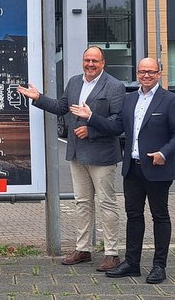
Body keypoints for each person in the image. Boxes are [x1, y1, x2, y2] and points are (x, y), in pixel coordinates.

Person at [69, 57, 175, 284]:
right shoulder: (129, 99)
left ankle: (159, 266)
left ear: (159, 74)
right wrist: (92, 117)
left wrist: (164, 153)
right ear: (137, 73)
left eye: (151, 72)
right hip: (132, 168)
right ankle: (132, 263)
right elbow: (116, 128)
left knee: (159, 216)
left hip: (157, 168)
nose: (146, 76)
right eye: (142, 72)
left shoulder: (170, 100)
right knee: (133, 216)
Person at [17, 46, 124, 271]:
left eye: (95, 60)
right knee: (82, 203)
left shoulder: (115, 86)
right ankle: (83, 249)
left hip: (102, 156)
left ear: (103, 63)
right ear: (82, 61)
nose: (90, 64)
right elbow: (61, 107)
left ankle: (112, 253)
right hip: (77, 153)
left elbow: (118, 125)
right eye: (87, 60)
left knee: (106, 203)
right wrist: (38, 98)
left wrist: (91, 127)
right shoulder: (75, 82)